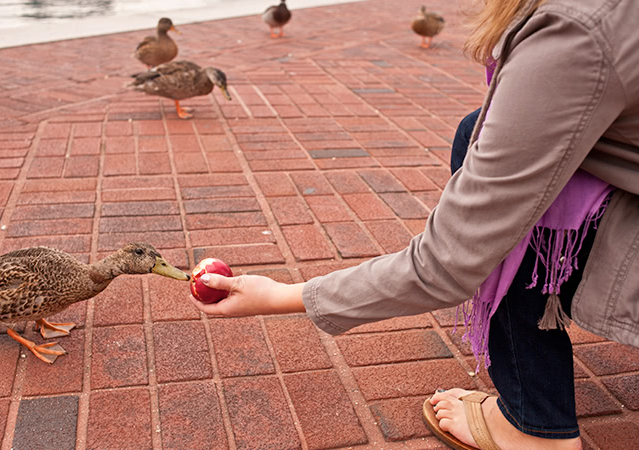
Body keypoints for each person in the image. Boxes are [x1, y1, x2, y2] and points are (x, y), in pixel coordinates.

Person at [190, 0, 639, 448]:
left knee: (481, 150)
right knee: (480, 131)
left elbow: (447, 263)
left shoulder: (575, 31)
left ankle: (538, 429)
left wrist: (281, 296)